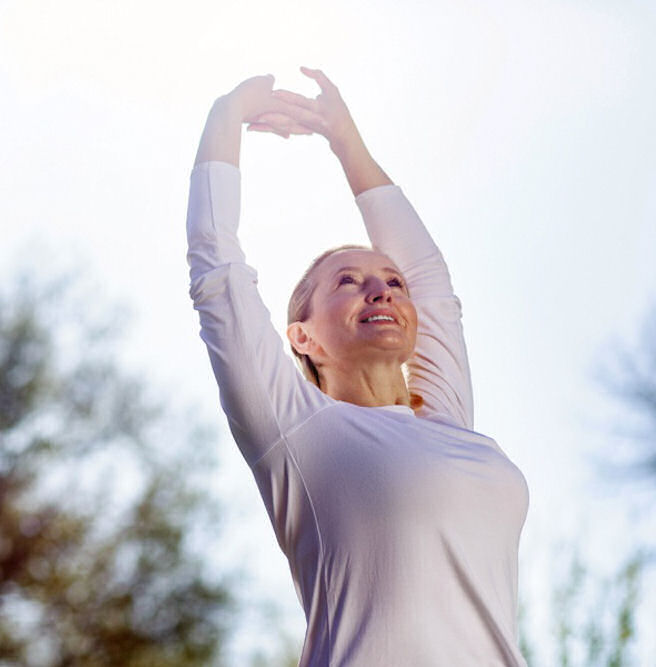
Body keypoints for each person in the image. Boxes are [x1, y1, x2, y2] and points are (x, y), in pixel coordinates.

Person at [186, 68, 529, 666]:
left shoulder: (447, 419)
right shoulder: (297, 429)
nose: (382, 291)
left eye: (392, 283)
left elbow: (432, 281)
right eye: (349, 281)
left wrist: (346, 139)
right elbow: (217, 270)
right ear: (303, 337)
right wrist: (227, 113)